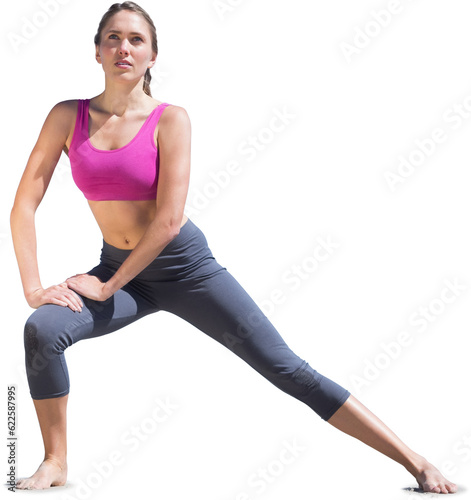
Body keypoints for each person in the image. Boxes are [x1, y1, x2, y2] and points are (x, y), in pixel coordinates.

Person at [9, 1, 458, 494]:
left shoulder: (170, 120)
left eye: (136, 39)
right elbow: (24, 204)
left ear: (153, 55)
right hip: (119, 270)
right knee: (43, 329)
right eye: (113, 38)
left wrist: (108, 285)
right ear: (96, 52)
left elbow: (168, 221)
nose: (124, 47)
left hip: (185, 270)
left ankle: (416, 463)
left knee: (287, 369)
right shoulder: (66, 116)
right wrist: (34, 288)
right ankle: (55, 463)